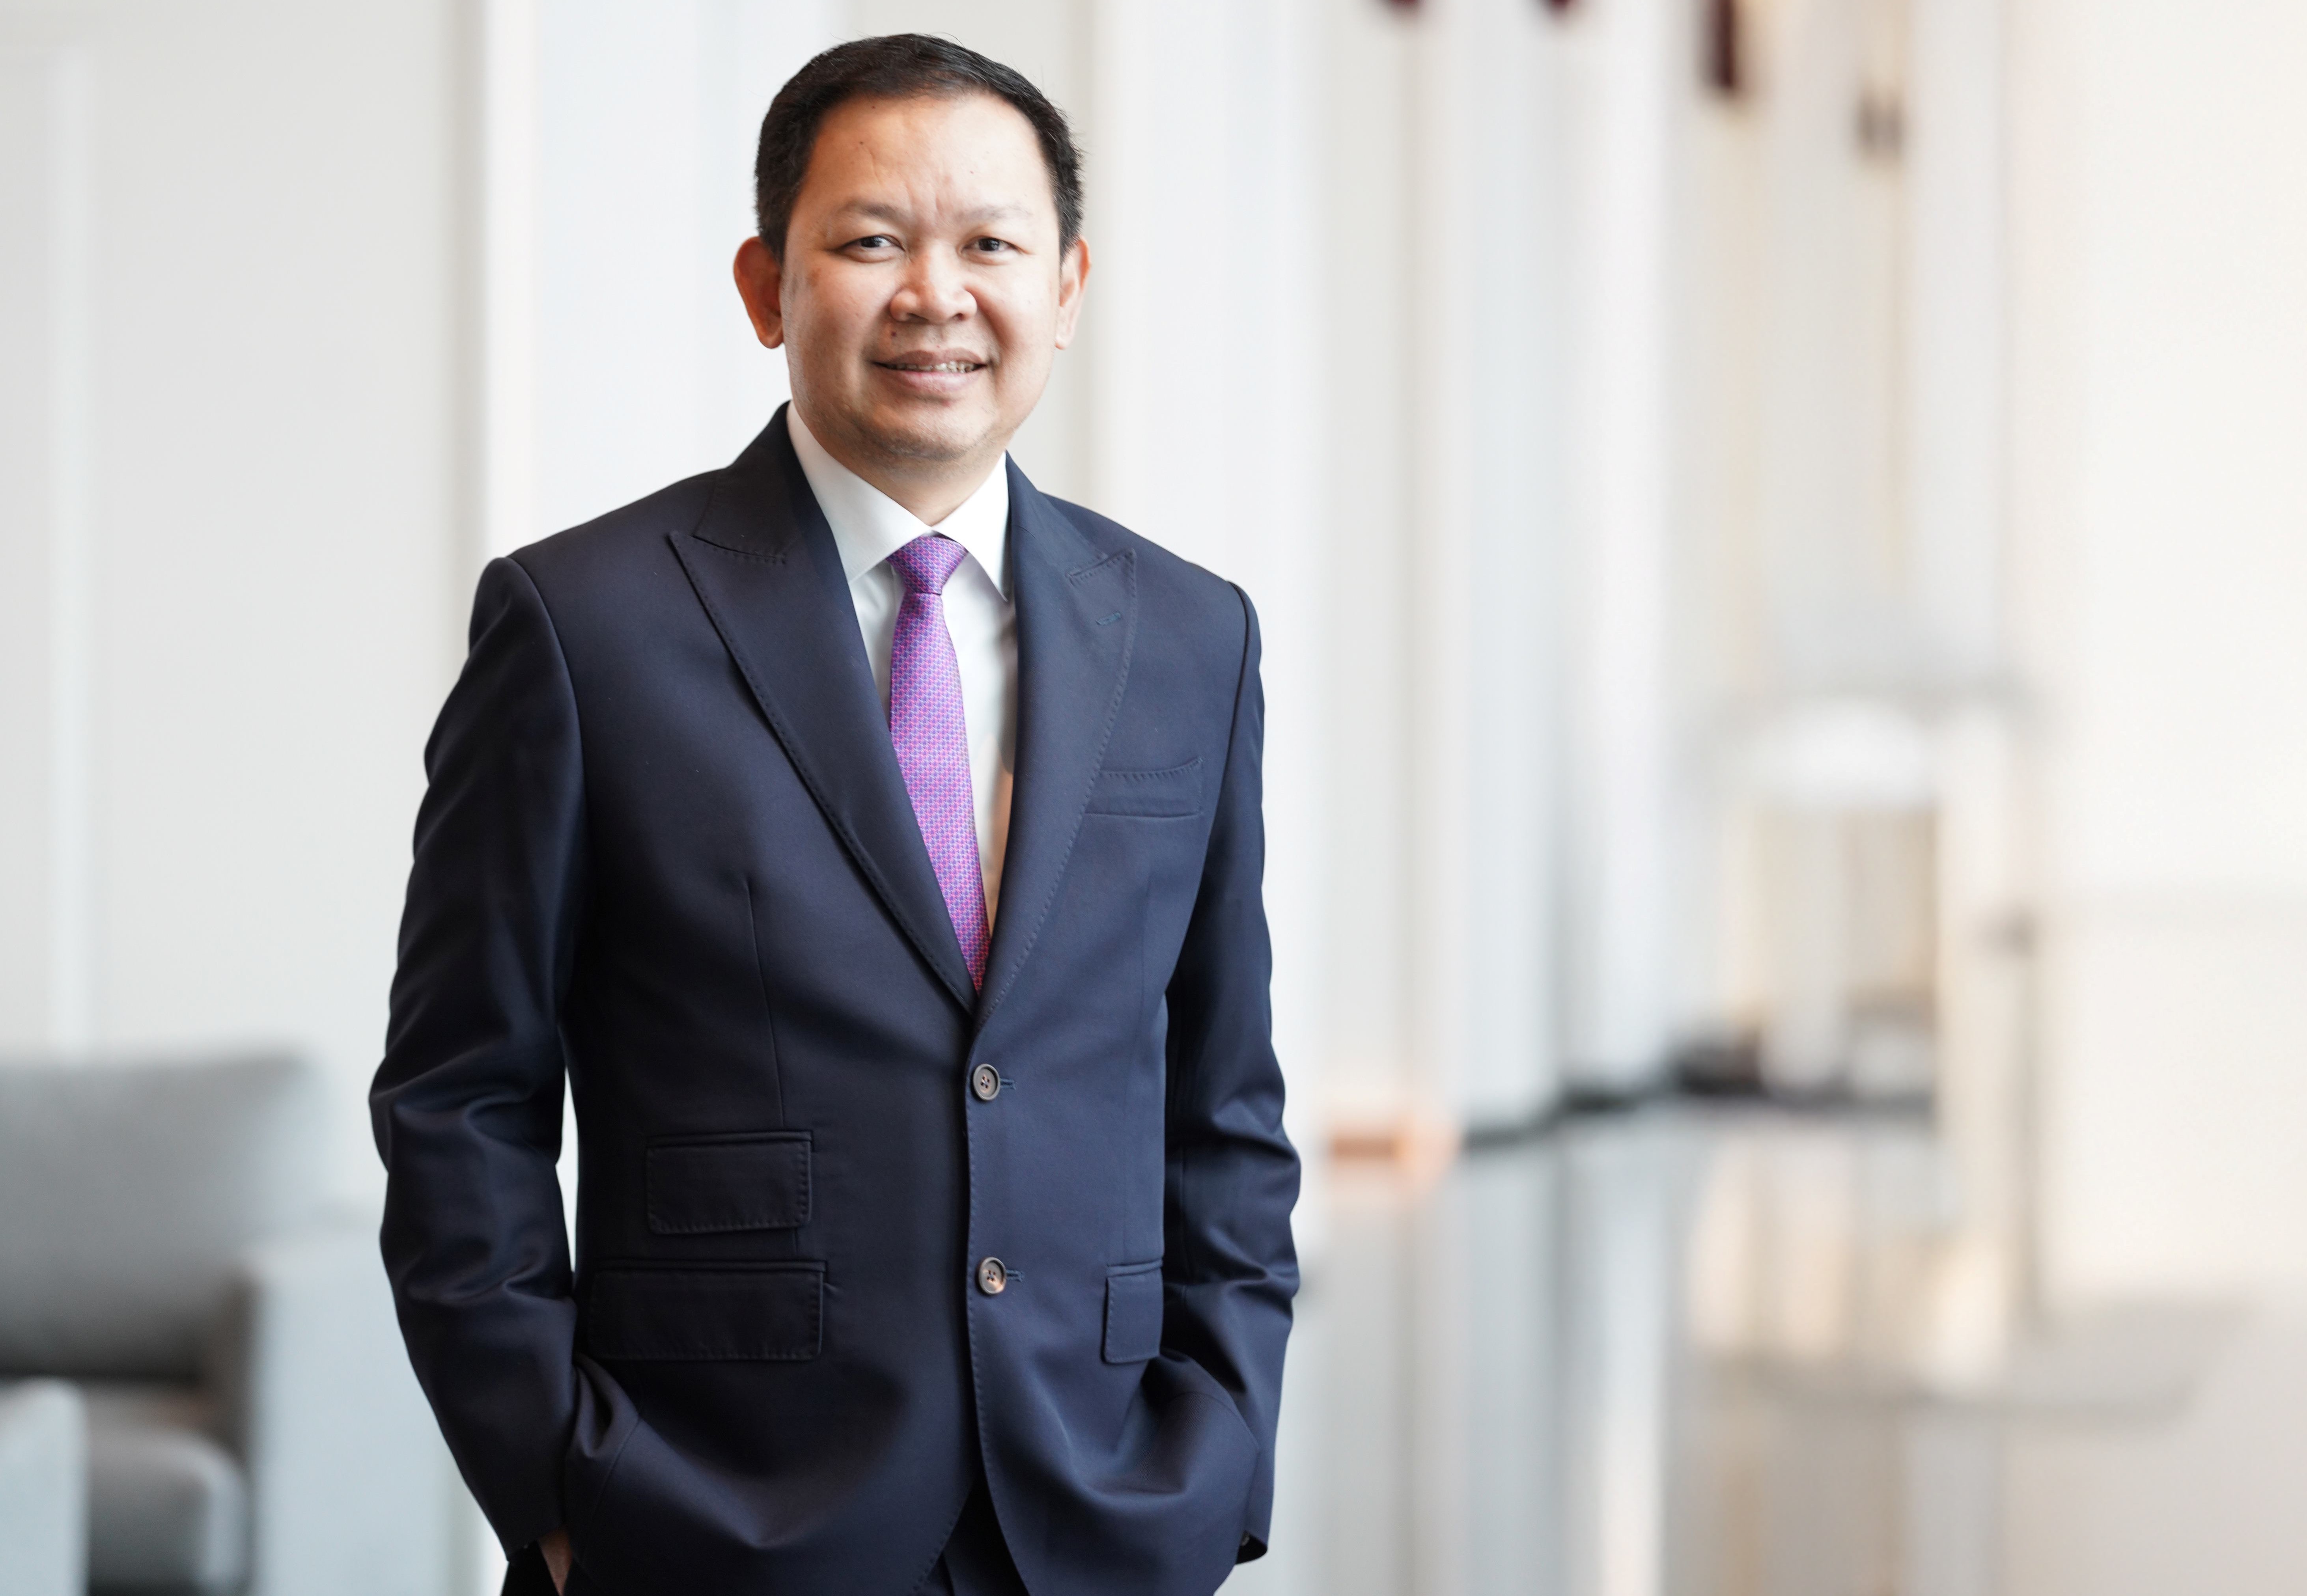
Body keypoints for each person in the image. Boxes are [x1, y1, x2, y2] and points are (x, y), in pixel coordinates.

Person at [371, 33, 1299, 1596]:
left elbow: (1224, 1105)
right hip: (706, 1520)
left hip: (1100, 1516)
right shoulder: (582, 626)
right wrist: (556, 1484)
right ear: (765, 286)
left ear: (1067, 285)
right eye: (871, 242)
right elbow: (460, 1096)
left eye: (991, 245)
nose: (936, 295)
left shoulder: (1190, 637)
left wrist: (1219, 1456)